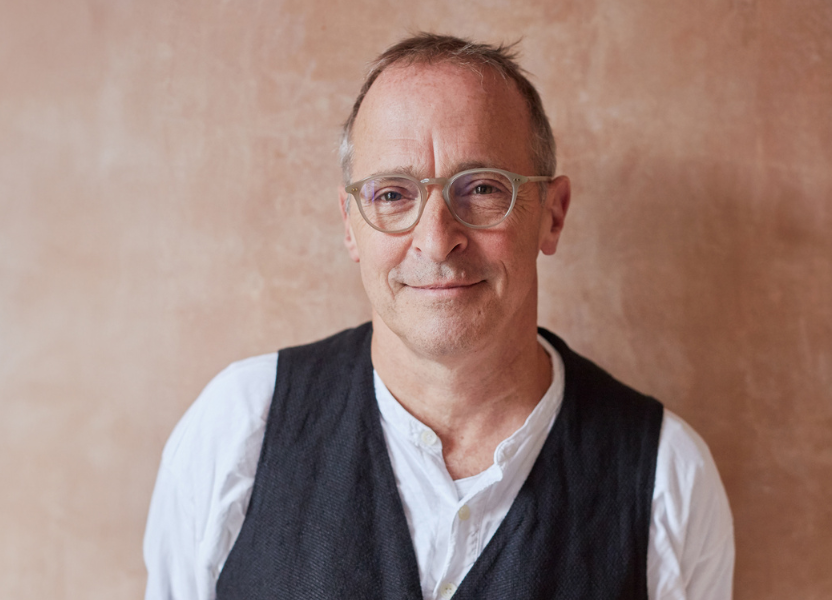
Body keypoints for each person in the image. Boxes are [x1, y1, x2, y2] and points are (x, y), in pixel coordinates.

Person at [144, 33, 734, 600]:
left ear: (551, 216)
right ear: (351, 225)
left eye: (480, 188)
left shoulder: (667, 478)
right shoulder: (237, 431)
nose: (435, 239)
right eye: (393, 195)